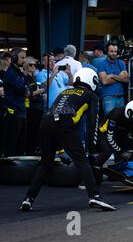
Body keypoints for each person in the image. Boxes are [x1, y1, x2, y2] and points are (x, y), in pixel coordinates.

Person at [20, 68, 116, 212]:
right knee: (82, 160)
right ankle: (94, 196)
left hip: (45, 122)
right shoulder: (91, 96)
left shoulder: (64, 92)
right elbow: (92, 124)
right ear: (91, 81)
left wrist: (59, 147)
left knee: (45, 163)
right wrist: (92, 150)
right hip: (64, 124)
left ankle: (28, 199)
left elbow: (55, 114)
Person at [93, 100, 133, 182]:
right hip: (105, 133)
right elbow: (110, 138)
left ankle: (116, 173)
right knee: (108, 151)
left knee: (129, 149)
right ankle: (93, 172)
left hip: (120, 133)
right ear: (129, 113)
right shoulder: (116, 113)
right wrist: (122, 152)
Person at [3, 48, 28, 156]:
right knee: (12, 142)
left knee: (21, 142)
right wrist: (26, 87)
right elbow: (23, 89)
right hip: (13, 111)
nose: (24, 60)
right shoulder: (11, 73)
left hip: (21, 110)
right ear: (14, 58)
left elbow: (28, 88)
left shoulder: (19, 72)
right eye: (22, 58)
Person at [97, 42, 128, 116]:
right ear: (106, 52)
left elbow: (126, 79)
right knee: (109, 121)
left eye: (115, 51)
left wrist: (112, 76)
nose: (114, 53)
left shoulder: (121, 63)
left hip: (121, 97)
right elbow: (104, 81)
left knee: (120, 122)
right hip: (108, 97)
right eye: (111, 51)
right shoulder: (102, 64)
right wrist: (120, 77)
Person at [23, 57, 45, 155]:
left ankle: (34, 150)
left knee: (37, 131)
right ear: (25, 65)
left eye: (34, 65)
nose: (33, 67)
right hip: (30, 108)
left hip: (38, 107)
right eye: (30, 65)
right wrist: (38, 92)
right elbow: (26, 93)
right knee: (31, 131)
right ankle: (30, 152)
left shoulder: (33, 78)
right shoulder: (25, 78)